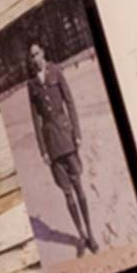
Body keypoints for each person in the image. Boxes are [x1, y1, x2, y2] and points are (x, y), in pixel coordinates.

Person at [25, 42, 98, 254]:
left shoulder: (56, 71)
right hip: (51, 144)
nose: (35, 58)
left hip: (66, 136)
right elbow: (36, 119)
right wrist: (43, 150)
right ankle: (81, 237)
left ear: (43, 53)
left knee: (79, 187)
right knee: (67, 193)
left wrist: (77, 133)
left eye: (37, 54)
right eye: (31, 56)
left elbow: (70, 102)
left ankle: (91, 234)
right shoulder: (31, 85)